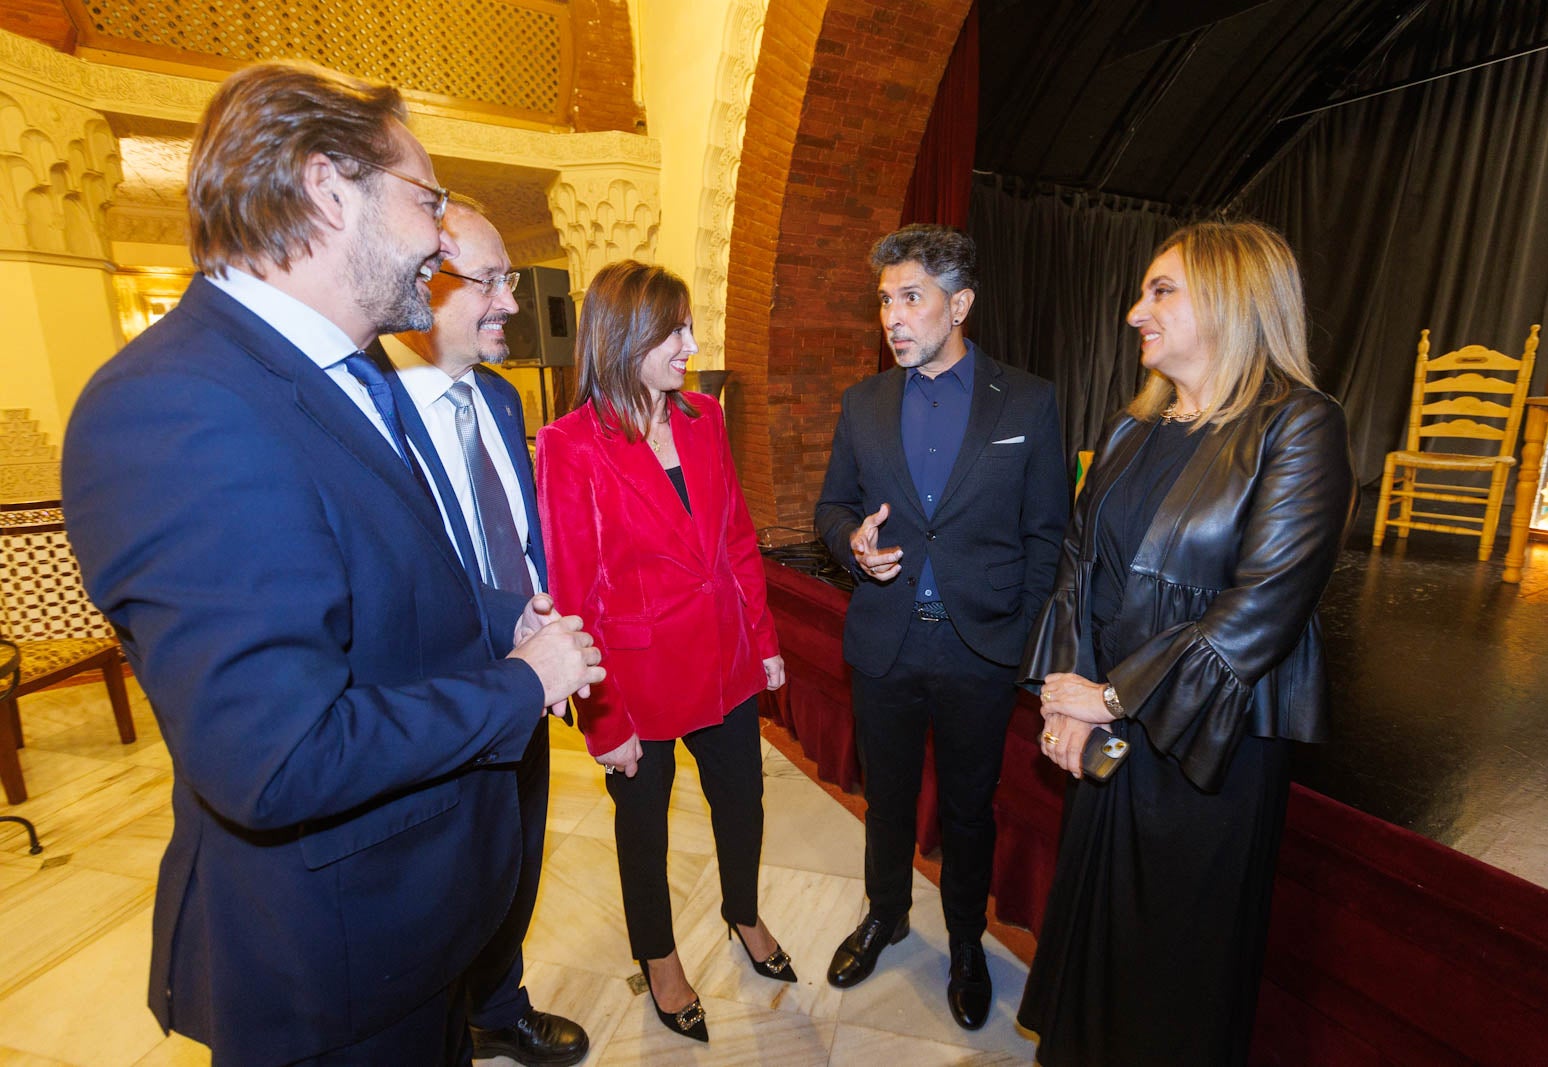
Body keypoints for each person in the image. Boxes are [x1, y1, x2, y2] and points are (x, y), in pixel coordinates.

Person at [60, 62, 604, 1066]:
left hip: (418, 923)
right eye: (427, 201)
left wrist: (501, 621)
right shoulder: (178, 403)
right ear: (326, 185)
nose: (443, 239)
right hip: (339, 957)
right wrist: (522, 684)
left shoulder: (348, 373)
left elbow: (386, 582)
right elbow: (277, 756)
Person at [1016, 220, 1356, 1066]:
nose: (1137, 311)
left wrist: (1111, 698)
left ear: (1234, 299)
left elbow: (1265, 606)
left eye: (1161, 290)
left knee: (1176, 964)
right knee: (1098, 931)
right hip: (1109, 726)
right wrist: (1068, 698)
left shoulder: (1301, 427)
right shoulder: (1135, 429)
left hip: (1212, 749)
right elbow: (1076, 566)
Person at [815, 224, 1072, 1030]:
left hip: (980, 649)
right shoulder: (863, 403)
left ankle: (965, 942)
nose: (892, 316)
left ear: (959, 303)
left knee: (967, 808)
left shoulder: (1028, 402)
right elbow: (831, 508)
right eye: (885, 300)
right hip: (886, 641)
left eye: (911, 297)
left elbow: (1047, 537)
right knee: (886, 799)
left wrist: (1019, 637)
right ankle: (887, 913)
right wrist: (852, 544)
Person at [535, 259, 791, 1044]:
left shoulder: (704, 417)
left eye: (687, 324)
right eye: (674, 328)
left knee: (741, 801)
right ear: (625, 335)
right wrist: (601, 716)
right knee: (643, 829)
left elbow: (737, 536)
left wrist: (765, 639)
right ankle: (660, 958)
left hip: (726, 657)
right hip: (635, 679)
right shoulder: (568, 444)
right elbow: (574, 591)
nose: (690, 341)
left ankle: (742, 912)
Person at [379, 198, 587, 1066]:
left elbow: (520, 536)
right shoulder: (367, 411)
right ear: (426, 283)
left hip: (525, 685)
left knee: (515, 860)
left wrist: (540, 619)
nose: (511, 301)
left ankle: (499, 1003)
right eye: (494, 281)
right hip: (435, 705)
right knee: (435, 894)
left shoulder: (501, 401)